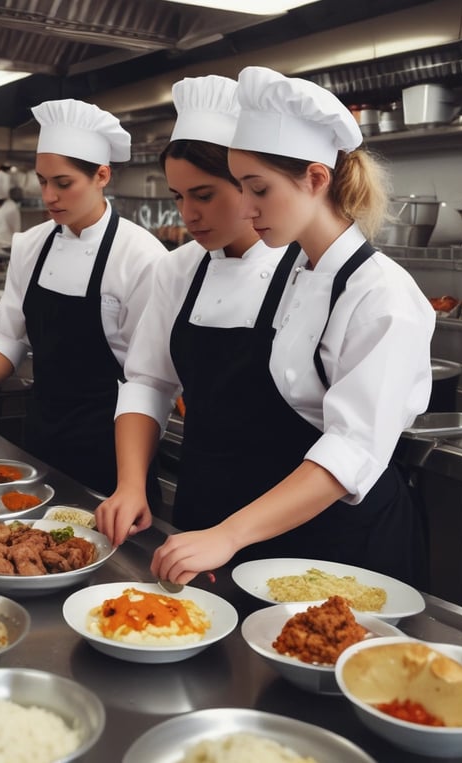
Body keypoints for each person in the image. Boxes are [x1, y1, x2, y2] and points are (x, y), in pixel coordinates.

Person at [135, 66, 435, 588]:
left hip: (349, 542)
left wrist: (228, 533)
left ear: (316, 179)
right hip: (284, 533)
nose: (246, 210)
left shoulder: (383, 295)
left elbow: (351, 450)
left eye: (258, 189)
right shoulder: (302, 273)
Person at [0, 99, 167, 497]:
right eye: (43, 181)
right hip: (42, 434)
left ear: (102, 176)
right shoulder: (31, 245)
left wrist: (131, 485)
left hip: (111, 446)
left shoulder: (141, 256)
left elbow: (148, 382)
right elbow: (7, 342)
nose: (50, 196)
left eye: (63, 183)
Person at [96, 73, 287, 544]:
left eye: (204, 195)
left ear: (248, 184)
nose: (188, 214)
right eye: (178, 197)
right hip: (202, 500)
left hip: (292, 509)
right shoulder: (178, 269)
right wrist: (130, 483)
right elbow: (148, 383)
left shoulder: (306, 269)